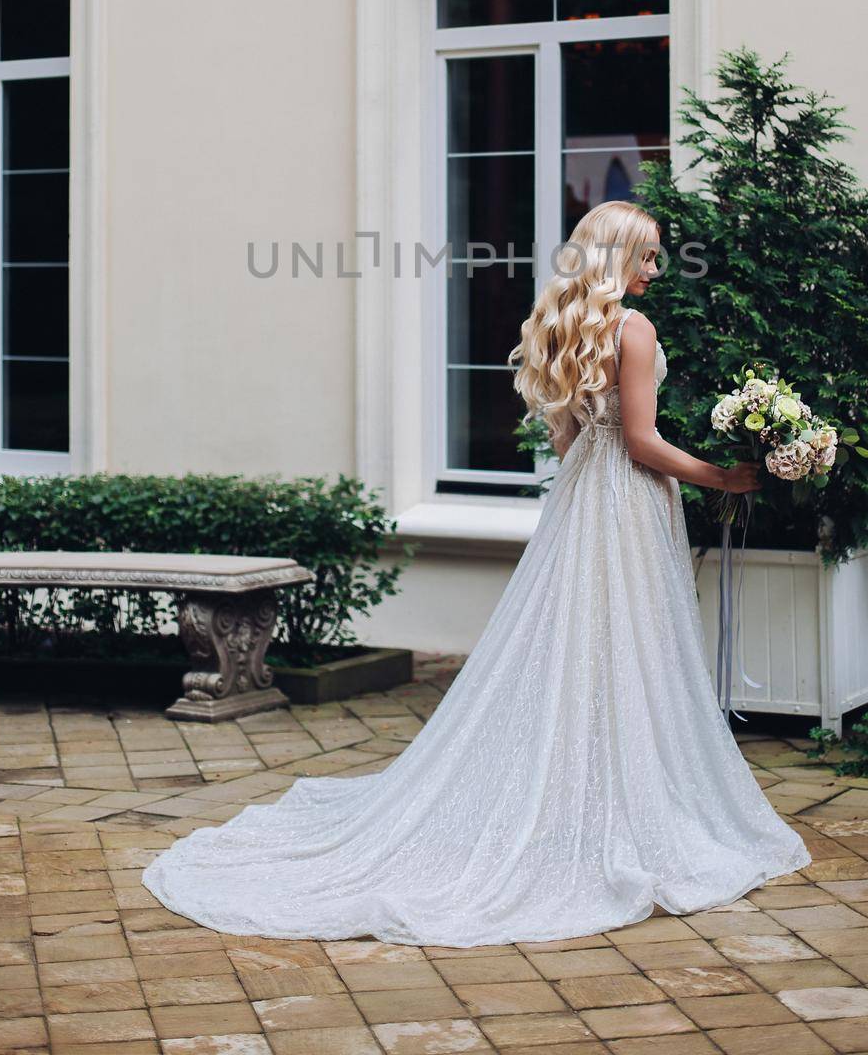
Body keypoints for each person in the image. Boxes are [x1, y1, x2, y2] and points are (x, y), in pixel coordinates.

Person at [142, 199, 809, 944]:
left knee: (574, 644)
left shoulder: (564, 322)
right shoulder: (632, 327)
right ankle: (616, 802)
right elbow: (644, 442)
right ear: (614, 256)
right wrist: (723, 477)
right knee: (628, 645)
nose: (655, 269)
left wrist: (597, 479)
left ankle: (574, 793)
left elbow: (566, 440)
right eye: (646, 256)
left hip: (581, 501)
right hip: (626, 503)